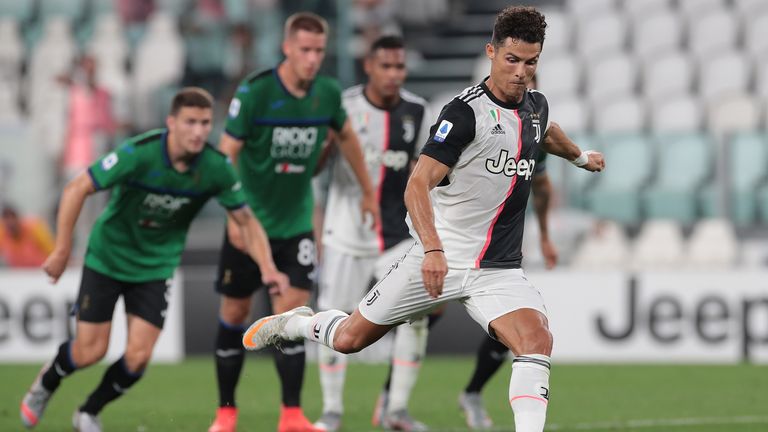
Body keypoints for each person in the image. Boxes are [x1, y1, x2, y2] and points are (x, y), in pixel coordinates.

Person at [242, 7, 606, 432]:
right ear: (491, 52)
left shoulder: (535, 106)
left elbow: (547, 130)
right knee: (349, 340)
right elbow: (417, 184)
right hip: (439, 256)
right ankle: (297, 323)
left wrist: (580, 156)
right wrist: (432, 249)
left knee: (537, 340)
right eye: (512, 60)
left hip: (497, 270)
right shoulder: (464, 114)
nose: (521, 72)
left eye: (531, 62)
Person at [19, 87, 289, 432]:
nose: (199, 131)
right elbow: (76, 189)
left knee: (139, 357)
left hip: (155, 268)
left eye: (206, 123)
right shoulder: (139, 153)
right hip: (108, 259)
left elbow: (246, 221)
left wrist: (267, 268)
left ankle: (88, 411)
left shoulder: (215, 167)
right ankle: (46, 385)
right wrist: (60, 249)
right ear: (171, 122)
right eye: (190, 122)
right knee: (89, 351)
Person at [208, 12, 379, 432]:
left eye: (319, 50)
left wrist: (368, 190)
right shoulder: (257, 92)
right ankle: (226, 413)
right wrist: (233, 212)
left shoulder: (326, 93)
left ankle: (291, 415)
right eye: (304, 49)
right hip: (250, 225)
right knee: (234, 312)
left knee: (292, 316)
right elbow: (224, 152)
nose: (312, 59)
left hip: (296, 224)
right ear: (286, 48)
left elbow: (348, 139)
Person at [311, 35, 432, 432]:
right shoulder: (343, 106)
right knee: (334, 314)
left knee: (414, 319)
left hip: (398, 234)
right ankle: (331, 410)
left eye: (400, 67)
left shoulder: (418, 110)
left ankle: (396, 411)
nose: (394, 75)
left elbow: (423, 174)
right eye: (386, 66)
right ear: (369, 67)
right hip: (346, 233)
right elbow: (317, 168)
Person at [458, 74, 564, 430]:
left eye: (531, 74)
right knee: (410, 322)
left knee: (518, 332)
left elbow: (544, 187)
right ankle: (392, 399)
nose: (523, 81)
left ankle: (471, 392)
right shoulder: (476, 118)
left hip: (499, 250)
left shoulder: (532, 127)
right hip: (451, 244)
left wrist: (546, 237)